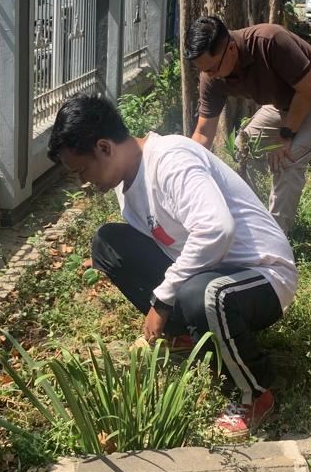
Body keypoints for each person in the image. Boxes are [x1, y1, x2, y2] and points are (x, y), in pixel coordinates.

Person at [49, 94, 298, 438]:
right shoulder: (126, 186)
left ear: (104, 148)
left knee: (202, 294)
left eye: (81, 171)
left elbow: (217, 231)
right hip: (211, 272)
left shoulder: (170, 159)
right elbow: (166, 247)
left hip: (261, 275)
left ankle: (254, 393)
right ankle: (187, 333)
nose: (83, 182)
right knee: (108, 243)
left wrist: (163, 300)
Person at [185, 16, 311, 234]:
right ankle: (254, 218)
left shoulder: (270, 40)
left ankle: (276, 237)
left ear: (231, 49)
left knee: (287, 160)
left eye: (213, 68)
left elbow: (308, 87)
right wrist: (186, 166)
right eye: (204, 70)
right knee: (244, 147)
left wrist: (285, 137)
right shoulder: (211, 77)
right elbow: (204, 132)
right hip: (285, 104)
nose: (210, 75)